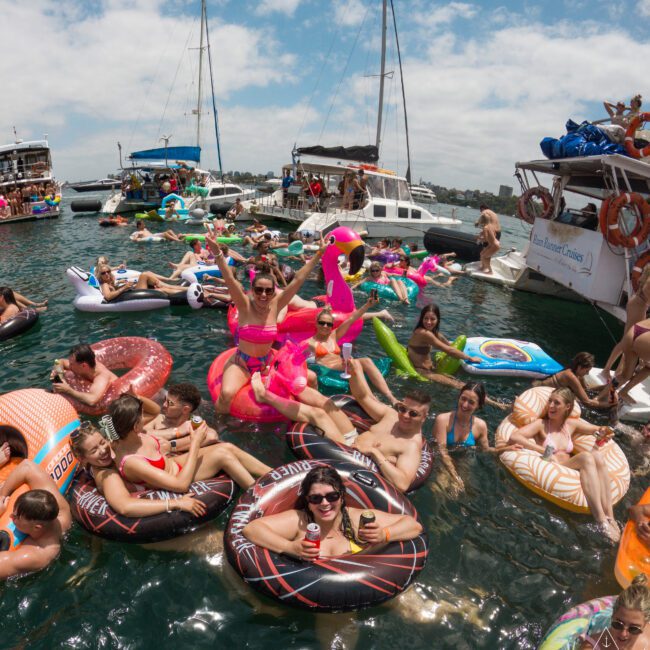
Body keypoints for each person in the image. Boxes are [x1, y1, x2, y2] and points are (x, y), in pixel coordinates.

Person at [251, 361, 429, 492]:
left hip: (350, 454)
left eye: (413, 414)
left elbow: (402, 484)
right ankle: (280, 381)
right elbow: (364, 397)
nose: (405, 415)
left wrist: (375, 453)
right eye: (403, 408)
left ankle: (264, 395)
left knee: (318, 415)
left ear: (424, 418)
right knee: (326, 403)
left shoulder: (411, 446)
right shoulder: (392, 416)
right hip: (352, 437)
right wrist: (354, 372)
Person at [204, 232, 326, 415]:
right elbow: (229, 279)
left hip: (268, 363)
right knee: (227, 394)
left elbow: (298, 279)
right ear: (252, 290)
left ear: (273, 292)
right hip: (242, 363)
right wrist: (218, 253)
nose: (263, 294)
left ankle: (313, 417)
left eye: (268, 291)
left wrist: (319, 254)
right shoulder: (244, 305)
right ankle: (219, 424)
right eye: (259, 290)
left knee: (312, 377)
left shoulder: (276, 305)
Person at [242, 465, 422, 560]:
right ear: (308, 501)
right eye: (316, 498)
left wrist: (384, 534)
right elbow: (252, 529)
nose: (325, 503)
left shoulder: (356, 518)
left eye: (332, 496)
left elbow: (413, 525)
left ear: (342, 497)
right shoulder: (300, 521)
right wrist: (290, 548)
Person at [508, 387, 619, 540]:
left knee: (598, 457)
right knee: (586, 457)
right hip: (554, 467)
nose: (551, 406)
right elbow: (515, 437)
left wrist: (605, 431)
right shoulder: (541, 424)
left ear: (567, 407)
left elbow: (597, 429)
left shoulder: (571, 425)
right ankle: (601, 520)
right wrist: (542, 450)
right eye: (550, 401)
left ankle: (611, 517)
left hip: (571, 467)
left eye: (556, 403)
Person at [108, 394, 271, 491]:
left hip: (174, 464)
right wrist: (195, 443)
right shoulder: (133, 462)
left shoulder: (123, 434)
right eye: (141, 417)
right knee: (223, 455)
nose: (145, 418)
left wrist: (134, 397)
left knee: (227, 447)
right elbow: (180, 485)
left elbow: (154, 411)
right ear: (135, 426)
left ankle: (274, 474)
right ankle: (259, 495)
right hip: (178, 477)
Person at [70, 423, 206, 519]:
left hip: (167, 475)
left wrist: (176, 433)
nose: (103, 450)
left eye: (102, 442)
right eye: (94, 450)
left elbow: (142, 429)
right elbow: (125, 507)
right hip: (154, 524)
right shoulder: (107, 475)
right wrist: (176, 503)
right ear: (83, 458)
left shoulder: (111, 449)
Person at [407, 304, 509, 407]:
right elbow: (448, 350)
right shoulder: (423, 333)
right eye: (426, 318)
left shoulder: (433, 332)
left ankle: (494, 401)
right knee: (459, 385)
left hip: (432, 368)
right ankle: (498, 405)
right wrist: (470, 358)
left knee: (458, 382)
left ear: (438, 319)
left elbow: (449, 344)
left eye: (432, 319)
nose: (429, 322)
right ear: (421, 318)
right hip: (423, 372)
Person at [305, 297, 397, 404]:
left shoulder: (334, 335)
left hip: (343, 365)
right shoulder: (309, 342)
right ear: (316, 323)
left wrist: (367, 305)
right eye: (322, 323)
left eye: (329, 324)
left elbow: (352, 318)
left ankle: (391, 397)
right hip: (329, 369)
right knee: (354, 362)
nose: (325, 326)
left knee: (366, 360)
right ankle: (372, 399)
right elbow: (296, 357)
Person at [433, 383, 522, 493]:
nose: (465, 405)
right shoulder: (443, 420)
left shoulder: (480, 426)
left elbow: (485, 450)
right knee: (440, 488)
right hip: (442, 460)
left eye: (471, 402)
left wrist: (506, 448)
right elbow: (442, 451)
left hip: (464, 459)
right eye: (463, 399)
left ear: (478, 405)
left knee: (463, 491)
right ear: (459, 397)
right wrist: (454, 475)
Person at [0, 460, 71, 579]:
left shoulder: (33, 555)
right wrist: (2, 496)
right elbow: (27, 466)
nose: (10, 516)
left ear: (36, 527)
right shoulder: (61, 511)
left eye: (16, 517)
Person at [578, 574, 650, 649]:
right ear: (612, 615)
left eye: (634, 629)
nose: (623, 634)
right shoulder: (593, 645)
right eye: (618, 624)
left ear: (645, 624)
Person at [602, 267, 650, 380]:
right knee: (627, 341)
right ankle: (607, 370)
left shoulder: (647, 278)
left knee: (628, 341)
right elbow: (647, 294)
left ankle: (617, 370)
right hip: (638, 306)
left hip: (638, 304)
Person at [144, 383, 219, 452]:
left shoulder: (194, 423)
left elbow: (212, 436)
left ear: (185, 409)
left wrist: (171, 446)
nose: (164, 405)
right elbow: (141, 434)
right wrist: (177, 431)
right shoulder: (158, 419)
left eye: (170, 403)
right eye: (165, 400)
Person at [535, 352, 617, 411]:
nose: (587, 373)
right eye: (587, 371)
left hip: (547, 388)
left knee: (579, 399)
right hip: (540, 389)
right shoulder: (570, 376)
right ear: (580, 367)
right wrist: (608, 404)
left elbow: (587, 390)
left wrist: (607, 386)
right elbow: (587, 402)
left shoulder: (577, 374)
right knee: (606, 408)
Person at [51, 343, 118, 407]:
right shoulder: (82, 366)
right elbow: (59, 361)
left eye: (72, 364)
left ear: (84, 365)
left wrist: (68, 390)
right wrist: (60, 377)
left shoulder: (102, 377)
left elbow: (92, 400)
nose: (69, 366)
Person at [96, 263, 187, 301]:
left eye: (108, 271)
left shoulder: (112, 282)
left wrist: (124, 284)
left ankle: (186, 290)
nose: (107, 274)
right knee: (144, 275)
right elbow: (108, 297)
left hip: (132, 290)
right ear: (100, 275)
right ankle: (172, 283)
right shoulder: (104, 284)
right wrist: (123, 288)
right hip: (131, 294)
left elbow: (117, 287)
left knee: (162, 289)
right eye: (103, 273)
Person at [476, 204, 501, 274]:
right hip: (497, 232)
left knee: (485, 254)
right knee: (486, 252)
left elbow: (483, 217)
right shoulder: (493, 213)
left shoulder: (485, 212)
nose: (481, 212)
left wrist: (479, 238)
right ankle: (485, 267)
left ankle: (485, 268)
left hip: (492, 234)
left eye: (480, 210)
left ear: (482, 209)